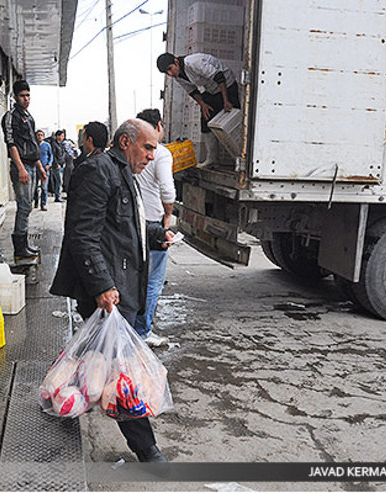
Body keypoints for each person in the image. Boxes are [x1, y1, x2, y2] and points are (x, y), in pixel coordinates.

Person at [50, 119, 174, 463]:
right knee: (122, 372)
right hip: (109, 293)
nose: (152, 155)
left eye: (154, 148)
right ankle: (146, 449)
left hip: (121, 290)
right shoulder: (98, 171)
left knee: (93, 358)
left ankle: (63, 400)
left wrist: (154, 234)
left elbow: (123, 226)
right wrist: (102, 285)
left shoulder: (123, 174)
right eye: (147, 147)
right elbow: (82, 234)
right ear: (125, 142)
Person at [133, 109, 175, 347]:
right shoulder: (161, 152)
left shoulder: (135, 149)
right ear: (158, 125)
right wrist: (168, 214)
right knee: (153, 280)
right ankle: (142, 331)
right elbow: (167, 189)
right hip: (153, 222)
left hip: (135, 220)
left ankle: (132, 326)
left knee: (135, 276)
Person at [157, 52, 240, 168]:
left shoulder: (193, 63)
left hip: (227, 85)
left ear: (176, 61)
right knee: (205, 119)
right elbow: (192, 90)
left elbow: (219, 76)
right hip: (212, 90)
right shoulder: (177, 75)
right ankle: (212, 158)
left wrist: (226, 101)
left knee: (232, 122)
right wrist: (202, 104)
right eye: (167, 73)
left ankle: (240, 158)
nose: (170, 74)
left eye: (170, 69)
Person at [2, 80, 46, 261]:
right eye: (22, 96)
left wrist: (40, 167)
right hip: (21, 166)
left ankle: (25, 244)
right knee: (24, 206)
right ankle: (19, 248)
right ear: (15, 97)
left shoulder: (29, 117)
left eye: (28, 95)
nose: (26, 99)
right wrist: (21, 168)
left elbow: (33, 144)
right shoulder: (11, 116)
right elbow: (11, 144)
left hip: (32, 165)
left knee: (28, 207)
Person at [35, 129, 52, 211]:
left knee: (44, 188)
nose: (40, 137)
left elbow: (51, 155)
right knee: (34, 188)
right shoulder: (34, 145)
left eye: (41, 135)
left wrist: (49, 164)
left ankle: (43, 204)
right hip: (35, 169)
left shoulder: (47, 145)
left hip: (45, 169)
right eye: (38, 135)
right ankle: (36, 201)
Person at [47, 130, 66, 202]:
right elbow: (53, 155)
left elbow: (63, 154)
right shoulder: (54, 144)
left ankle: (58, 195)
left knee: (60, 181)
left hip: (62, 165)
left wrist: (63, 163)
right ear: (57, 136)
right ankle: (57, 196)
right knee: (59, 181)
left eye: (63, 136)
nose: (62, 137)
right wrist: (56, 164)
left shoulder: (60, 144)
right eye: (61, 136)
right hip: (56, 166)